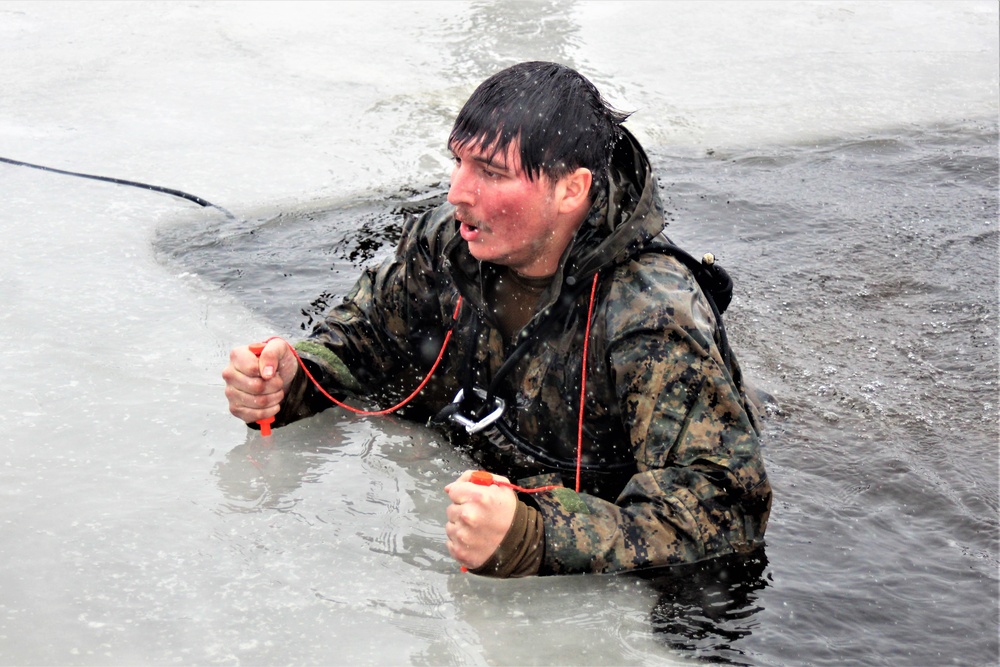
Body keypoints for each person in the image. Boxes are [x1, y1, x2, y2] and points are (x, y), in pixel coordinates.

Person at [223, 61, 771, 578]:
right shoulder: (448, 245)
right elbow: (359, 341)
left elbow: (723, 509)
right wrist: (292, 378)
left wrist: (536, 538)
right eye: (458, 163)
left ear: (570, 189)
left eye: (490, 172)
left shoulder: (650, 315)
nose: (457, 192)